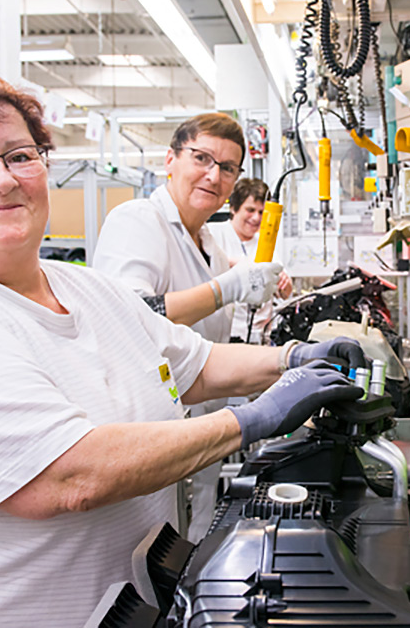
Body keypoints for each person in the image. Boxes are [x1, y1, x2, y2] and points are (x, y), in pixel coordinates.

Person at [0, 74, 367, 627]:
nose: (2, 179)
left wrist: (293, 360)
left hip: (133, 605)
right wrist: (251, 420)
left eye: (19, 156)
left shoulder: (82, 287)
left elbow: (194, 365)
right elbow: (69, 476)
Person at [92, 114, 283, 539]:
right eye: (201, 158)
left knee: (191, 543)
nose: (213, 175)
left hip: (199, 432)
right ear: (171, 160)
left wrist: (282, 366)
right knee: (148, 555)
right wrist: (227, 288)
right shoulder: (139, 220)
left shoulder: (211, 245)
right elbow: (131, 315)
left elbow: (204, 349)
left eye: (228, 167)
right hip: (149, 435)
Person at [209, 178, 294, 343]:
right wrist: (246, 265)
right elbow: (209, 264)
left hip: (261, 336)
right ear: (233, 209)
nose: (256, 218)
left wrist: (285, 284)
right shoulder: (214, 234)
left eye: (262, 212)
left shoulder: (265, 243)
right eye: (250, 210)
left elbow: (285, 293)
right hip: (225, 336)